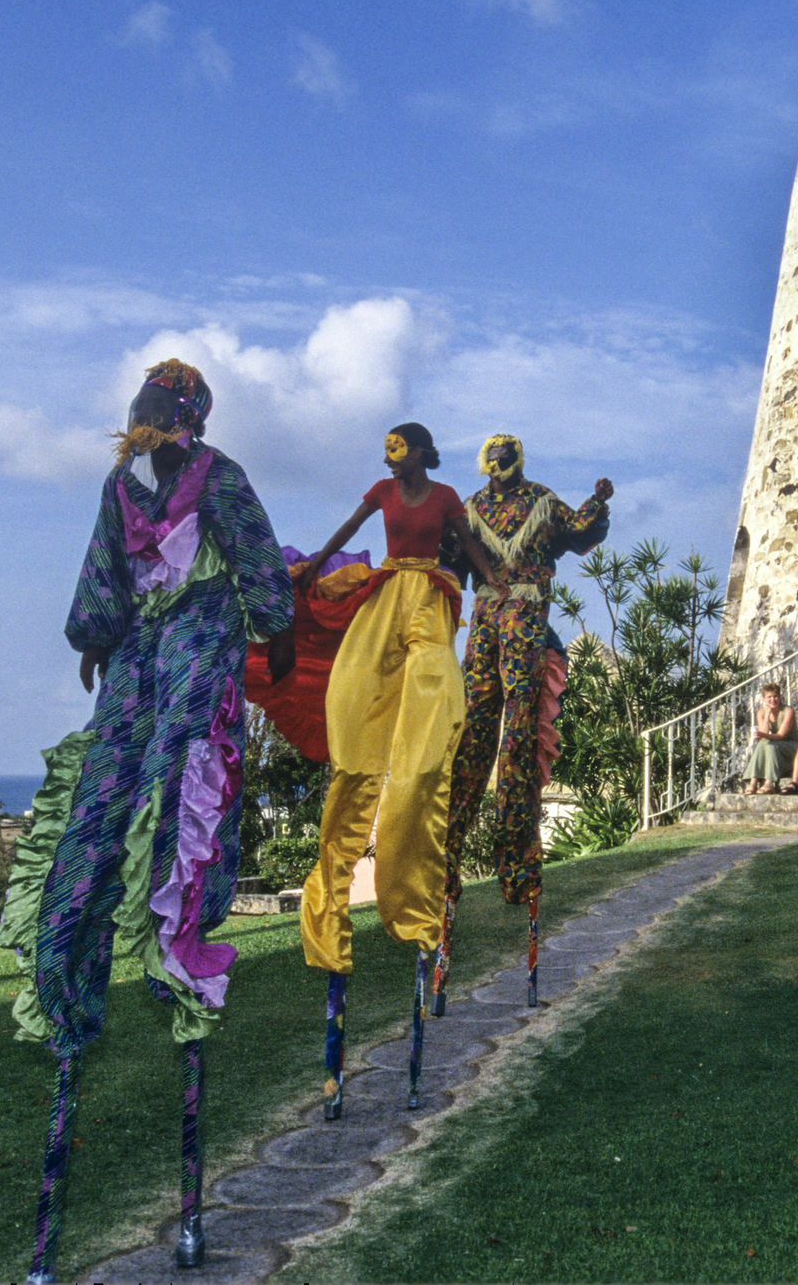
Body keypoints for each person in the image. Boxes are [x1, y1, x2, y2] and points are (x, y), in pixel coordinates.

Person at [0, 358, 295, 1279]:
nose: (146, 419)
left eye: (163, 410)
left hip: (202, 643)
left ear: (190, 421)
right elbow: (101, 580)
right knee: (95, 819)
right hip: (136, 658)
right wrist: (95, 640)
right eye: (140, 408)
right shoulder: (118, 485)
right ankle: (70, 967)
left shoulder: (223, 479)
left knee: (181, 803)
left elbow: (256, 561)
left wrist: (274, 633)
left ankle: (179, 952)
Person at [293, 422, 501, 1116]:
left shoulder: (444, 497)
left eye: (401, 449)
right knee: (352, 706)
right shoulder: (383, 490)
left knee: (427, 730)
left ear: (421, 452)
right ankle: (337, 881)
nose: (393, 460)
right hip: (385, 599)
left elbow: (471, 550)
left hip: (430, 605)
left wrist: (502, 587)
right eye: (388, 452)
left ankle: (413, 905)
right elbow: (342, 529)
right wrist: (313, 567)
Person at [436, 433, 611, 1010]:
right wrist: (595, 507)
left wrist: (596, 506)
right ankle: (478, 850)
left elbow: (579, 529)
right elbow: (579, 529)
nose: (498, 467)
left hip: (509, 616)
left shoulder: (503, 505)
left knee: (509, 729)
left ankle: (512, 851)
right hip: (498, 617)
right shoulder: (483, 507)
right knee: (482, 727)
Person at [744, 682, 798, 793]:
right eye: (769, 697)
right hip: (774, 745)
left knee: (769, 745)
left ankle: (769, 782)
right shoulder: (761, 712)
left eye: (775, 696)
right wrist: (767, 716)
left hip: (793, 745)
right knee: (764, 744)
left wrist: (762, 735)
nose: (773, 700)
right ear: (764, 699)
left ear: (779, 697)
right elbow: (764, 736)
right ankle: (754, 782)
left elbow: (781, 735)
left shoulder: (788, 711)